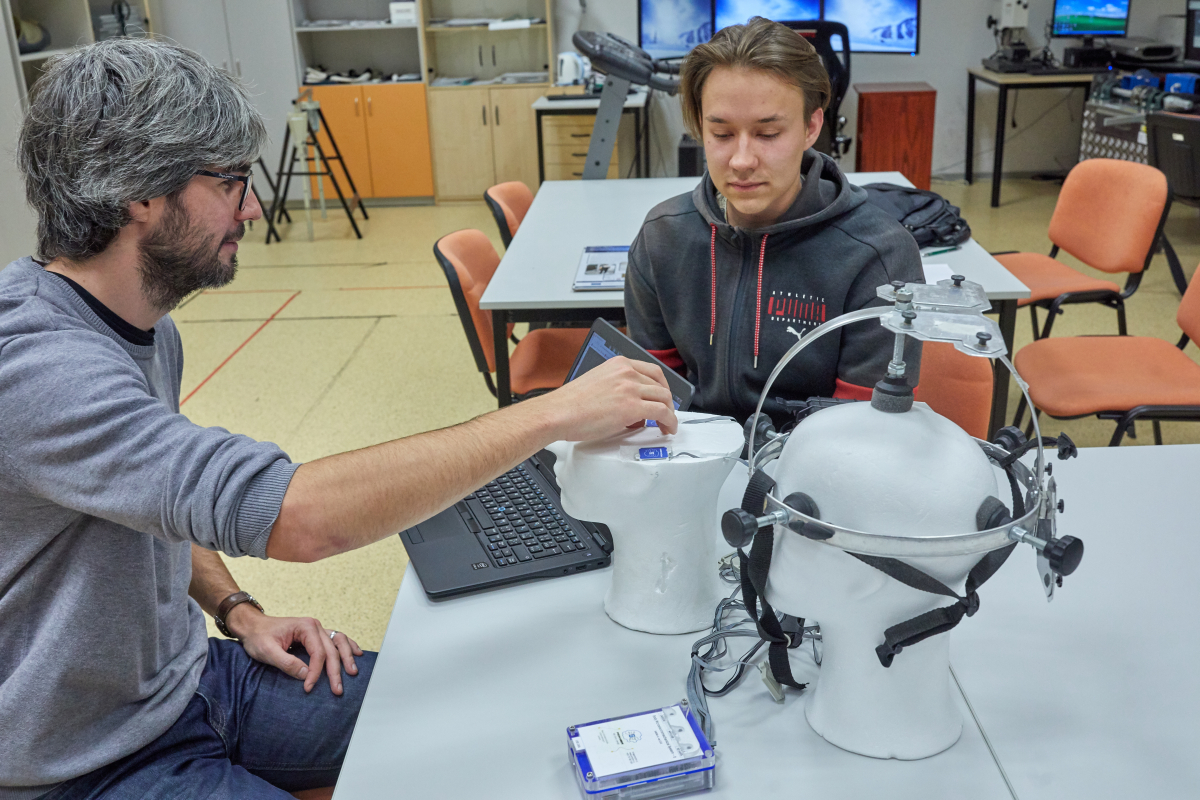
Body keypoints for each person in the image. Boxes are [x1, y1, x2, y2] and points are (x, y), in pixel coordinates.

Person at [0, 39, 677, 800]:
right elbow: (299, 519)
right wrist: (553, 414)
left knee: (482, 716)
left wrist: (236, 610)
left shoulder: (144, 327)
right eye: (229, 182)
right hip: (84, 762)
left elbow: (156, 500)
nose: (251, 207)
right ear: (139, 195)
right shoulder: (37, 368)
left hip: (191, 681)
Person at [625, 17, 923, 424]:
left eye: (767, 134)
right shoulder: (663, 237)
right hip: (692, 450)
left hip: (815, 456)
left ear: (811, 126)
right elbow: (656, 398)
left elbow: (860, 431)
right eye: (722, 134)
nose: (742, 160)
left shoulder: (878, 256)